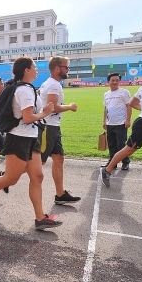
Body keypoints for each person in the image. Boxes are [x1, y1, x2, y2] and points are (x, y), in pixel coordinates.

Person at [0, 59, 62, 229]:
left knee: (37, 177)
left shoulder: (28, 89)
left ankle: (40, 218)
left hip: (31, 138)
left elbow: (32, 113)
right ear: (26, 70)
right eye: (34, 68)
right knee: (10, 179)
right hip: (18, 139)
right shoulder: (24, 91)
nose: (37, 70)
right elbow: (27, 118)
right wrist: (45, 113)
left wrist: (44, 112)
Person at [38, 56, 81, 205]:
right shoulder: (54, 85)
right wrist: (69, 107)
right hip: (47, 127)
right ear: (57, 68)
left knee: (59, 158)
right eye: (66, 67)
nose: (68, 70)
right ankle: (8, 177)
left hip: (53, 127)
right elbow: (52, 107)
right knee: (39, 163)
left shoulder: (50, 83)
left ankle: (60, 194)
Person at [103, 73, 132, 170]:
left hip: (121, 123)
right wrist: (104, 121)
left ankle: (125, 162)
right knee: (111, 144)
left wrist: (127, 120)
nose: (115, 82)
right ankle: (112, 162)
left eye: (117, 80)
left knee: (121, 144)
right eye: (113, 80)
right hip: (110, 123)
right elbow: (106, 108)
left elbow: (129, 106)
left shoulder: (124, 92)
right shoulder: (106, 94)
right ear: (108, 82)